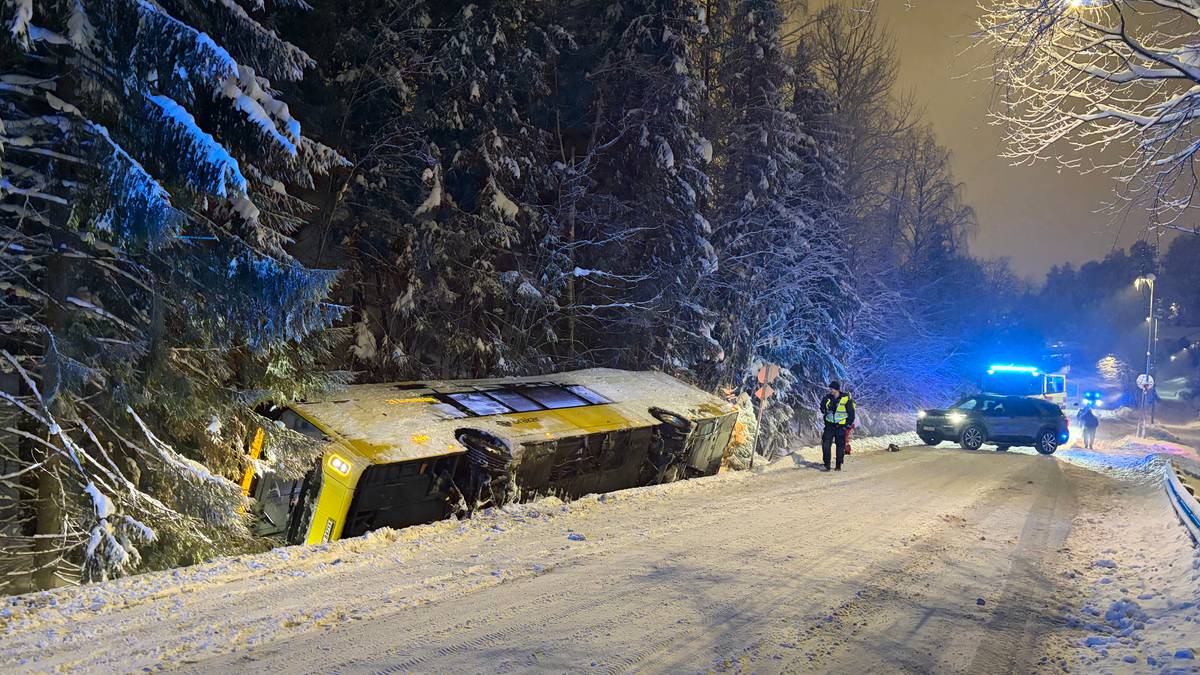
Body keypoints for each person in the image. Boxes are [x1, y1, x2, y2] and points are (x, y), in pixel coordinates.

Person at [819, 380, 856, 471]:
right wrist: (826, 410)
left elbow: (851, 415)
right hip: (829, 426)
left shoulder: (846, 400)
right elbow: (822, 408)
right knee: (826, 445)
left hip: (841, 427)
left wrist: (847, 426)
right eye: (830, 388)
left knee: (840, 446)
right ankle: (827, 464)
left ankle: (838, 465)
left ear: (837, 389)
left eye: (832, 389)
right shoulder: (827, 398)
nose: (830, 390)